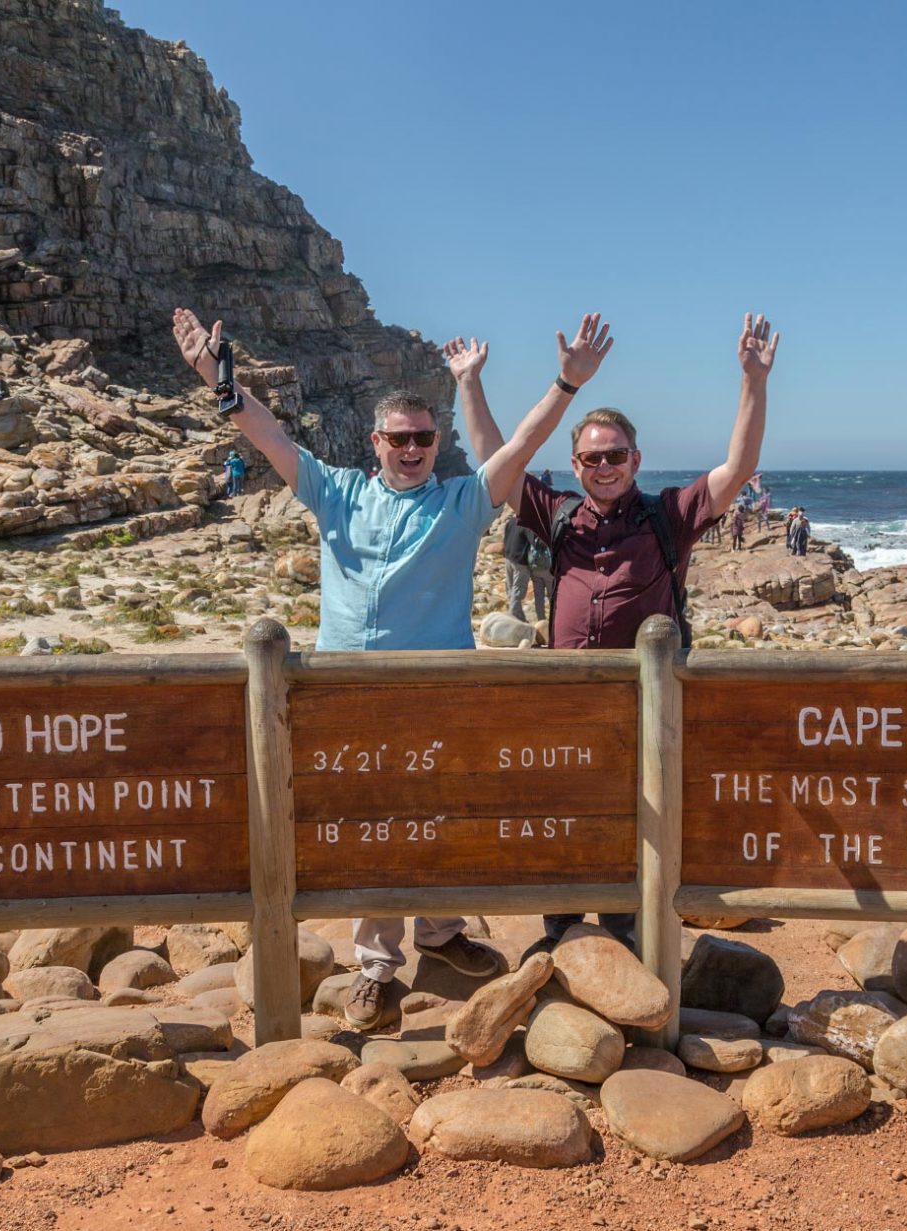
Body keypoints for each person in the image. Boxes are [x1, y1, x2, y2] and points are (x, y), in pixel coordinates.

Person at [175, 305, 616, 1028]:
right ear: (376, 442)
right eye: (400, 439)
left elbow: (525, 445)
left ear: (435, 441)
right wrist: (215, 375)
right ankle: (378, 969)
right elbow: (271, 435)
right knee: (373, 825)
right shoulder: (336, 491)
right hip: (347, 696)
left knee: (437, 818)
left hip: (439, 696)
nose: (413, 449)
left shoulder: (462, 501)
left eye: (424, 438)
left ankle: (441, 936)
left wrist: (566, 385)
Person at [458, 313, 780, 951]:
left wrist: (753, 381)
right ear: (574, 465)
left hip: (645, 709)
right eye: (592, 458)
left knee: (642, 820)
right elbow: (499, 459)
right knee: (566, 814)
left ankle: (630, 939)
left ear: (636, 459)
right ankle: (565, 933)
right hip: (566, 705)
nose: (604, 467)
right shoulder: (557, 514)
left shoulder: (670, 515)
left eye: (615, 456)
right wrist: (469, 383)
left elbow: (738, 469)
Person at [500, 514, 553, 622]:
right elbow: (536, 543)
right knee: (518, 590)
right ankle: (514, 616)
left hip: (508, 558)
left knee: (511, 589)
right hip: (520, 562)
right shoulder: (527, 525)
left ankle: (518, 616)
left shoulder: (511, 521)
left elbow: (505, 538)